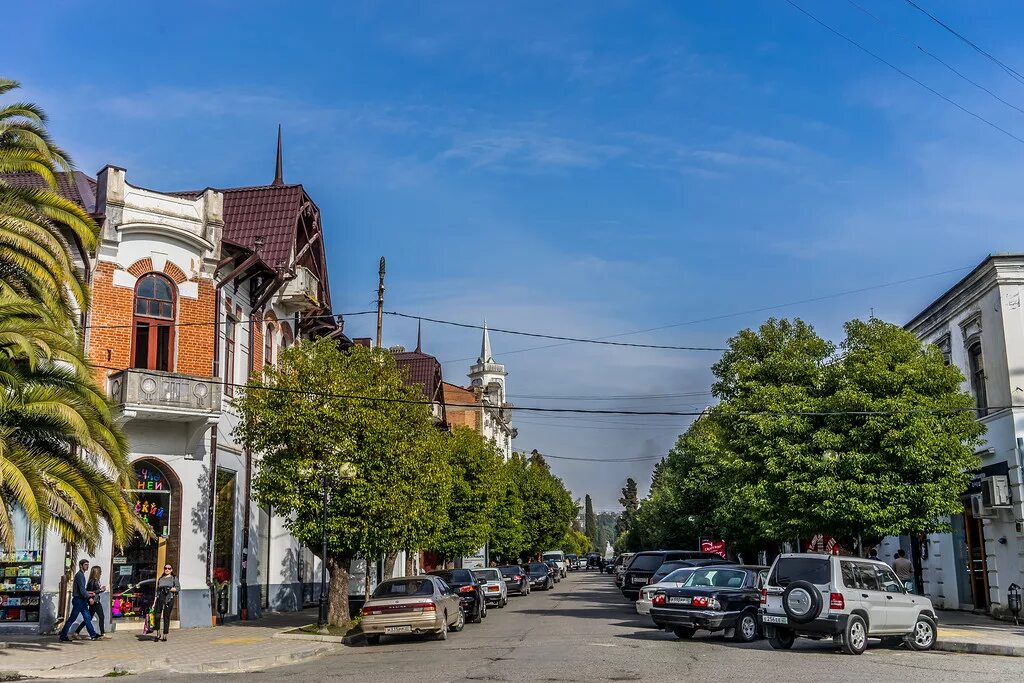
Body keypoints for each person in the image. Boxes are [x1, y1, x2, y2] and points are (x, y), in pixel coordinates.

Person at [59, 559, 100, 642]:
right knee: (73, 619)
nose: (87, 566)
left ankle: (93, 634)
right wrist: (89, 597)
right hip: (79, 600)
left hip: (81, 600)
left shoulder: (81, 575)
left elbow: (81, 590)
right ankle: (63, 635)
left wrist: (89, 593)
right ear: (81, 565)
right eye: (85, 564)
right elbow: (81, 590)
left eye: (88, 564)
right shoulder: (80, 575)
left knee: (87, 618)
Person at [74, 566, 110, 640]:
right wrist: (101, 590)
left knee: (88, 618)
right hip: (95, 601)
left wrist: (99, 590)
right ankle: (102, 633)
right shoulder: (93, 581)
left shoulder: (94, 581)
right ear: (96, 572)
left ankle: (76, 632)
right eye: (100, 571)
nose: (101, 573)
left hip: (94, 601)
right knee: (101, 616)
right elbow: (91, 592)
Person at [151, 563, 180, 642]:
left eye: (169, 568)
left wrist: (169, 589)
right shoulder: (160, 579)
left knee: (166, 617)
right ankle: (158, 634)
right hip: (160, 598)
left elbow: (178, 588)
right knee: (157, 616)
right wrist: (154, 603)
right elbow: (157, 592)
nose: (167, 570)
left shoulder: (174, 578)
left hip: (169, 598)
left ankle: (165, 635)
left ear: (171, 570)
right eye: (165, 568)